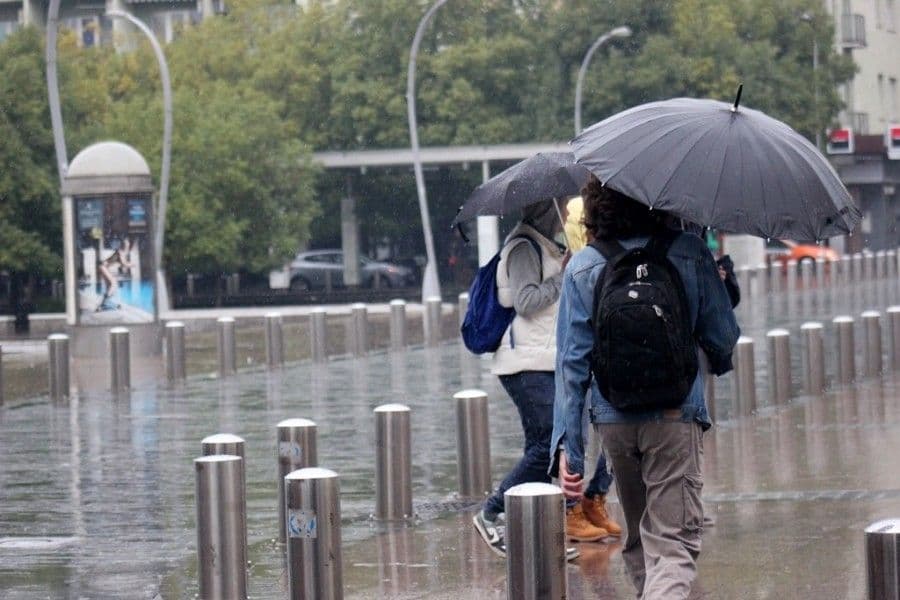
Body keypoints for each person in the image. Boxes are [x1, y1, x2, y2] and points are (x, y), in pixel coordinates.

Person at [553, 176, 739, 598]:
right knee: (672, 546)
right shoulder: (689, 252)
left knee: (638, 541)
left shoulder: (583, 265)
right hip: (675, 416)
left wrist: (570, 451)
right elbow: (723, 336)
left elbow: (571, 366)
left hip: (614, 422)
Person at [471, 198, 608, 559]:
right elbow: (527, 301)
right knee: (547, 442)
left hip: (543, 360)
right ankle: (492, 511)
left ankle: (537, 538)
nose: (565, 214)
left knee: (543, 446)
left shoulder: (544, 244)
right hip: (523, 363)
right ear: (543, 209)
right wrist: (564, 275)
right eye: (561, 208)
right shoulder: (522, 247)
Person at [96, 237, 132, 311]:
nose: (127, 245)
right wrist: (132, 264)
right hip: (103, 266)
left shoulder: (122, 252)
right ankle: (104, 304)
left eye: (128, 244)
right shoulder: (120, 252)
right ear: (123, 245)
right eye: (126, 244)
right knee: (114, 283)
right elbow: (124, 264)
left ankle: (104, 304)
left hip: (103, 267)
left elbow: (123, 263)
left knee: (110, 287)